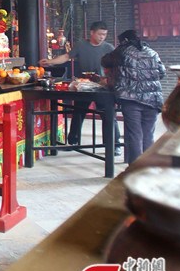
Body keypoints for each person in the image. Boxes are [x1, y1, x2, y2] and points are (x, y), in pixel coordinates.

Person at [39, 21, 119, 152]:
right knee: (78, 112)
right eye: (99, 34)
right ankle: (73, 140)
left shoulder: (109, 48)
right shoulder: (81, 45)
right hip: (83, 84)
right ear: (92, 33)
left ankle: (113, 145)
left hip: (102, 86)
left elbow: (117, 65)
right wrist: (50, 62)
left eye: (104, 35)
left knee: (108, 115)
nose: (102, 37)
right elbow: (66, 56)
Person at [101, 29, 165, 164]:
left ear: (124, 40)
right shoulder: (153, 53)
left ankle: (135, 167)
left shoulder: (122, 51)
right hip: (153, 99)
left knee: (135, 134)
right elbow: (161, 73)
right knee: (148, 134)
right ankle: (147, 166)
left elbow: (105, 61)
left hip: (131, 99)